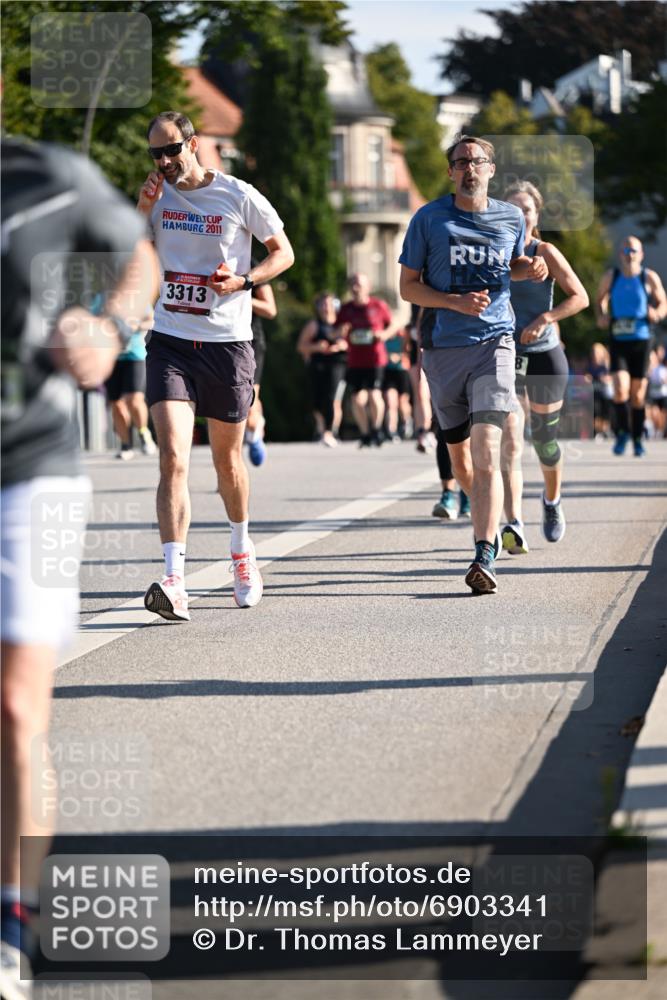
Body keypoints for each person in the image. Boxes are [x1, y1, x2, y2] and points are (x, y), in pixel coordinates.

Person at [1, 136, 157, 996]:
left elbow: (139, 260)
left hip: (34, 472)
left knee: (16, 702)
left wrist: (109, 323)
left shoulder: (50, 177)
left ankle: (9, 925)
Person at [137, 112, 294, 621]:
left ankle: (242, 553)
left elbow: (283, 253)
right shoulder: (155, 196)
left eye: (171, 150)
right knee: (174, 459)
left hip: (227, 344)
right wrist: (141, 213)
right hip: (171, 341)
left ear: (193, 144)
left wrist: (244, 282)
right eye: (155, 154)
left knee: (227, 464)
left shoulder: (237, 194)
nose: (164, 162)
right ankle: (174, 579)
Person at [399, 135, 548, 594]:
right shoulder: (428, 219)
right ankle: (479, 503)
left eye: (477, 161)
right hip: (444, 351)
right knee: (462, 462)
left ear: (490, 168)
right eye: (460, 161)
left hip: (494, 345)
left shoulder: (509, 217)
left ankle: (485, 553)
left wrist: (531, 269)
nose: (469, 168)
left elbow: (512, 265)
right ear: (450, 172)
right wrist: (452, 301)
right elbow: (408, 287)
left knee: (488, 452)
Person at [499, 181, 589, 551]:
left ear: (536, 217)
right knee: (508, 439)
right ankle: (513, 523)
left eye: (527, 210)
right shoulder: (492, 251)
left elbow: (580, 296)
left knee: (544, 440)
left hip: (544, 355)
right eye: (513, 209)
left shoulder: (545, 251)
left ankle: (551, 502)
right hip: (504, 353)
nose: (521, 215)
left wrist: (546, 318)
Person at [595, 235, 667, 456]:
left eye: (634, 251)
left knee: (637, 396)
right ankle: (622, 433)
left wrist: (656, 312)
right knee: (619, 389)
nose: (630, 255)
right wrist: (602, 315)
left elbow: (663, 302)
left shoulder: (648, 277)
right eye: (626, 251)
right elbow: (599, 300)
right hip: (618, 340)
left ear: (641, 254)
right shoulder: (612, 276)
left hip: (642, 340)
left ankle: (637, 438)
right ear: (620, 254)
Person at [335, 272, 395, 448]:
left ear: (367, 287)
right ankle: (366, 432)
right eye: (352, 284)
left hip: (375, 358)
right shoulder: (346, 309)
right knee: (356, 399)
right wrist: (341, 333)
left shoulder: (378, 306)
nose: (355, 288)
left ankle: (377, 429)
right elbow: (335, 331)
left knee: (374, 394)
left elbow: (392, 325)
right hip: (355, 360)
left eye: (359, 284)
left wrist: (383, 335)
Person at [103, 306, 157, 459]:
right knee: (117, 404)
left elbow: (151, 320)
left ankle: (143, 433)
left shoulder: (136, 295)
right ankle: (125, 445)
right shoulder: (102, 299)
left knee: (134, 400)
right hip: (111, 357)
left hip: (135, 355)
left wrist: (137, 326)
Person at [297, 291, 348, 448]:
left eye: (329, 304)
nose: (326, 307)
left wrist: (341, 346)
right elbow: (301, 347)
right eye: (323, 304)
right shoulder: (314, 325)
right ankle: (321, 429)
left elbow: (352, 343)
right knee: (317, 400)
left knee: (333, 398)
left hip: (337, 364)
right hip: (318, 365)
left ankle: (331, 431)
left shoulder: (342, 325)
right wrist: (316, 347)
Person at [244, 257, 277, 466]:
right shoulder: (203, 258)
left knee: (249, 404)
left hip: (250, 340)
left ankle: (254, 431)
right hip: (215, 339)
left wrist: (240, 294)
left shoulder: (251, 264)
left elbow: (270, 309)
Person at [382, 323, 412, 442]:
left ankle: (406, 422)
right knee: (390, 401)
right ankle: (391, 430)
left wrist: (399, 356)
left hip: (402, 371)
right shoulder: (383, 336)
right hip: (388, 371)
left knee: (402, 401)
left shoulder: (403, 335)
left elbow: (410, 351)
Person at [585, 342, 613, 440]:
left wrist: (606, 379)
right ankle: (596, 431)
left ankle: (604, 430)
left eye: (597, 352)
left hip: (605, 394)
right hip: (594, 394)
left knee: (605, 413)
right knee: (595, 413)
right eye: (594, 352)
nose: (595, 354)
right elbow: (586, 377)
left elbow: (612, 377)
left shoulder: (606, 366)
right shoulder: (590, 366)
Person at [647, 347, 667, 438]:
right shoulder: (652, 366)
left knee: (663, 414)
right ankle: (655, 429)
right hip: (654, 394)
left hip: (663, 393)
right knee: (655, 413)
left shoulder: (664, 366)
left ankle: (660, 430)